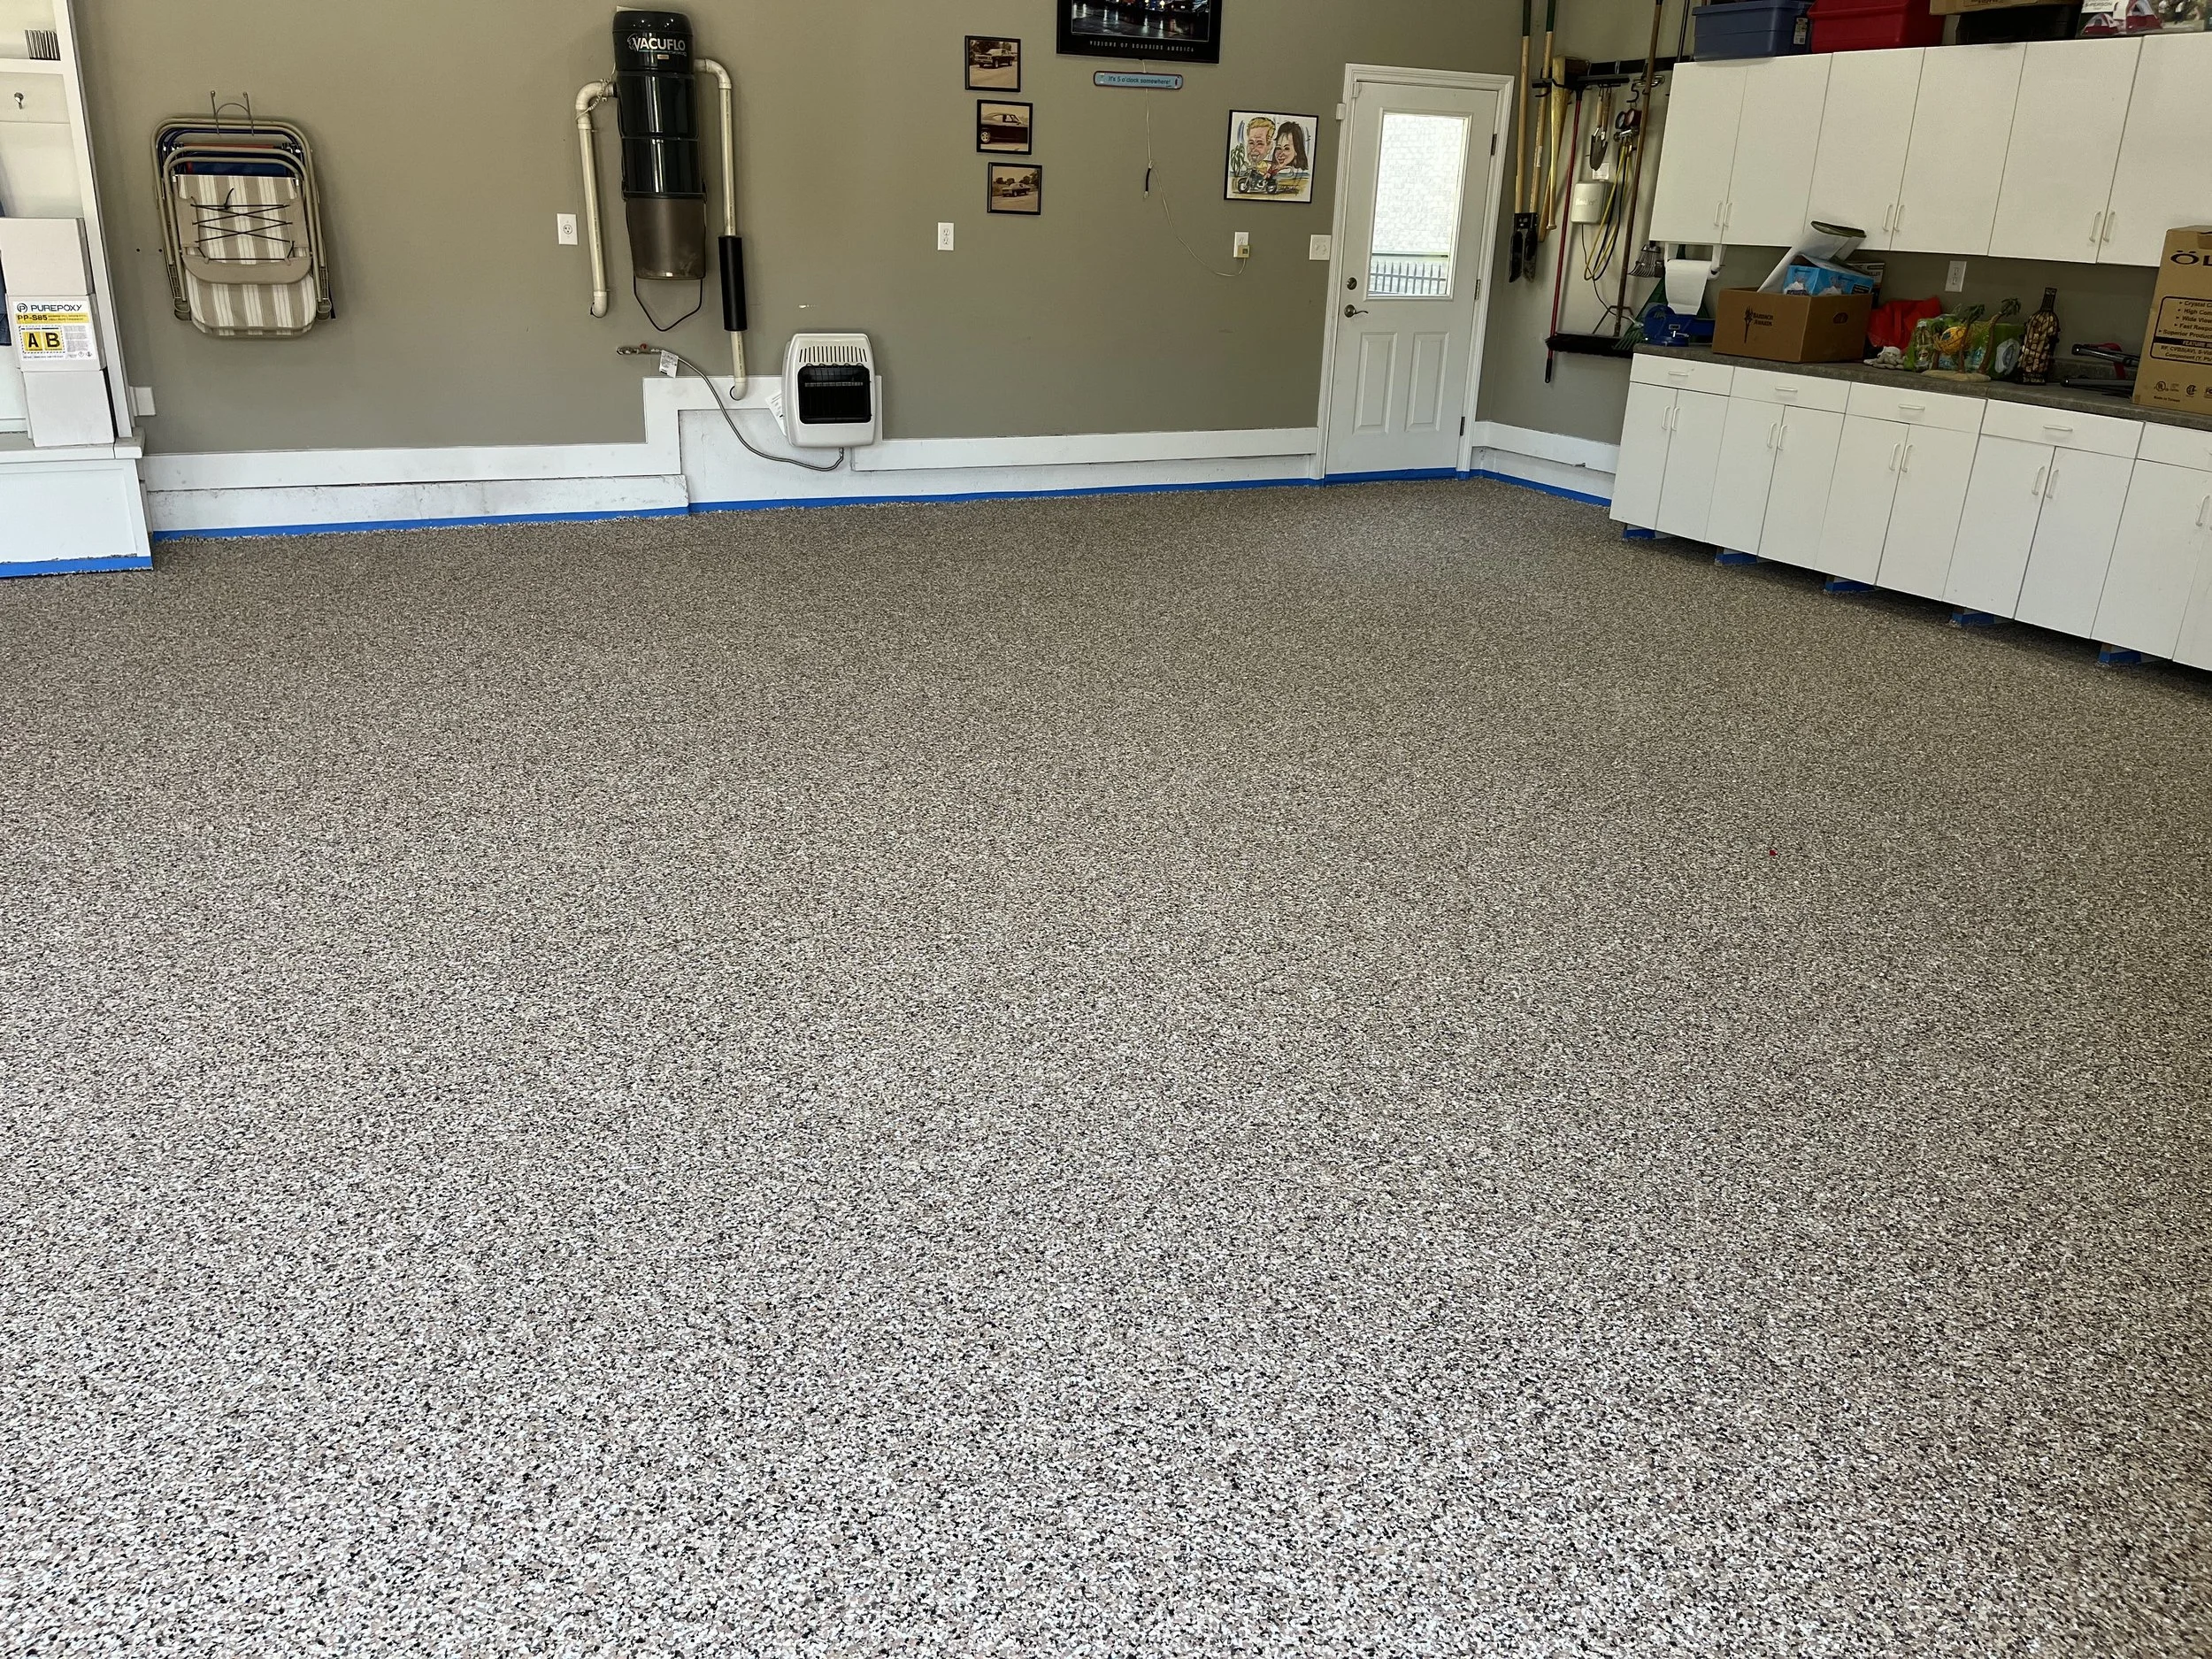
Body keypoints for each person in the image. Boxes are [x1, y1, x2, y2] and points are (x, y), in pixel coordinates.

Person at [1232, 116, 1276, 197]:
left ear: (1269, 147)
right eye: (1251, 143)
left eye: (1260, 144)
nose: (1253, 149)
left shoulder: (1266, 165)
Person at [1269, 121, 1311, 196]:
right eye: (1278, 148)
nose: (1280, 154)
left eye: (1286, 148)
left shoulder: (1303, 176)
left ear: (1297, 150)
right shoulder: (1272, 171)